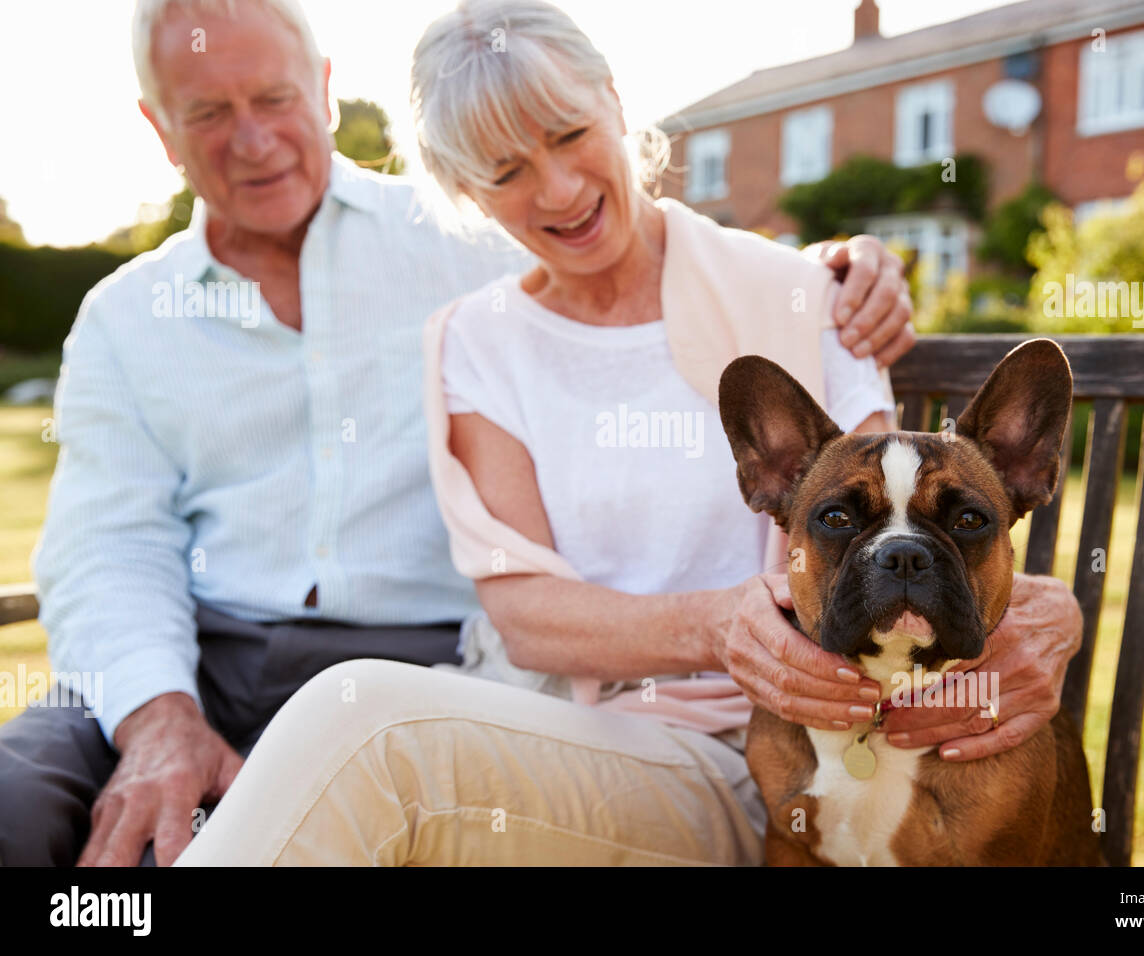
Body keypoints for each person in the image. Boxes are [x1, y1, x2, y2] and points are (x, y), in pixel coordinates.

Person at [0, 0, 919, 867]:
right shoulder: (132, 318)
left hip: (417, 664)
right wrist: (158, 718)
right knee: (15, 809)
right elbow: (107, 547)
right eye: (207, 110)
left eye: (274, 97)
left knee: (364, 739)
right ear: (158, 129)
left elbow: (666, 268)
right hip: (200, 658)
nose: (253, 139)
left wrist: (849, 263)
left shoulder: (474, 240)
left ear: (321, 88)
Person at [173, 0, 1084, 867]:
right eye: (505, 170)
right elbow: (527, 614)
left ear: (613, 101)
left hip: (764, 757)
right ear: (463, 189)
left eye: (568, 134)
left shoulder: (797, 294)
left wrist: (1049, 608)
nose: (559, 188)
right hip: (552, 727)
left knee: (360, 725)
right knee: (356, 724)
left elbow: (895, 518)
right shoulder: (477, 343)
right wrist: (718, 624)